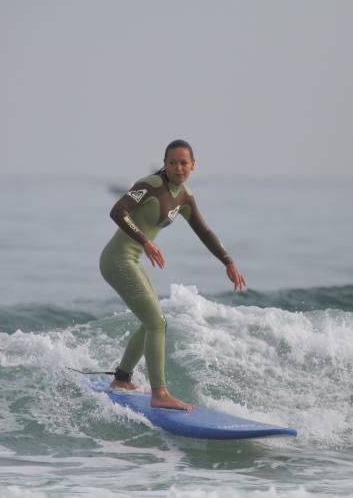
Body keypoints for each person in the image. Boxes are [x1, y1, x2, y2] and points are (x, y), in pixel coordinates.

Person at [99, 139, 246, 410]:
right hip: (117, 259)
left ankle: (122, 379)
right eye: (172, 162)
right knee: (157, 323)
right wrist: (145, 240)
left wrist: (228, 261)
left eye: (184, 162)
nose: (178, 167)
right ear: (164, 165)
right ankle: (160, 394)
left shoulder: (185, 197)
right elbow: (118, 211)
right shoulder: (150, 185)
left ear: (193, 165)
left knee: (153, 322)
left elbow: (204, 231)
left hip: (132, 259)